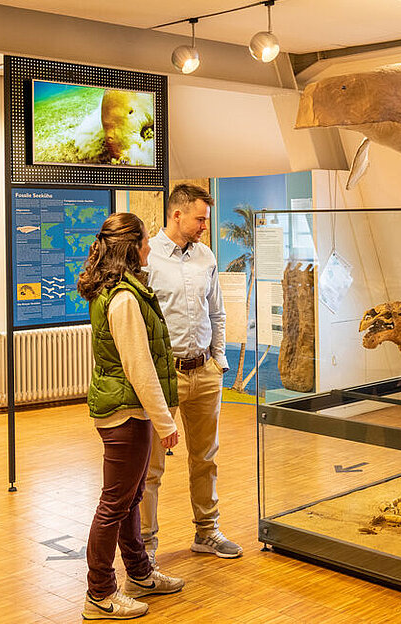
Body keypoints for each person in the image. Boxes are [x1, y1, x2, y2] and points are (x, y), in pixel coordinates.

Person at [77, 212, 186, 620]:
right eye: (144, 240)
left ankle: (139, 574)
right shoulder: (123, 298)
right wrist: (165, 422)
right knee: (114, 505)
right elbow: (139, 366)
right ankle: (99, 593)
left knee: (129, 500)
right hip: (125, 415)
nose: (149, 246)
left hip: (129, 411)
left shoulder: (119, 290)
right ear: (131, 246)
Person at [140, 183, 243, 563]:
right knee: (151, 467)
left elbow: (216, 312)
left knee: (205, 458)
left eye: (206, 220)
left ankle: (207, 532)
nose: (204, 226)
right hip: (163, 376)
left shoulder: (206, 257)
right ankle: (145, 546)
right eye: (200, 219)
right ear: (177, 214)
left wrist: (219, 361)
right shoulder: (148, 258)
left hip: (205, 373)